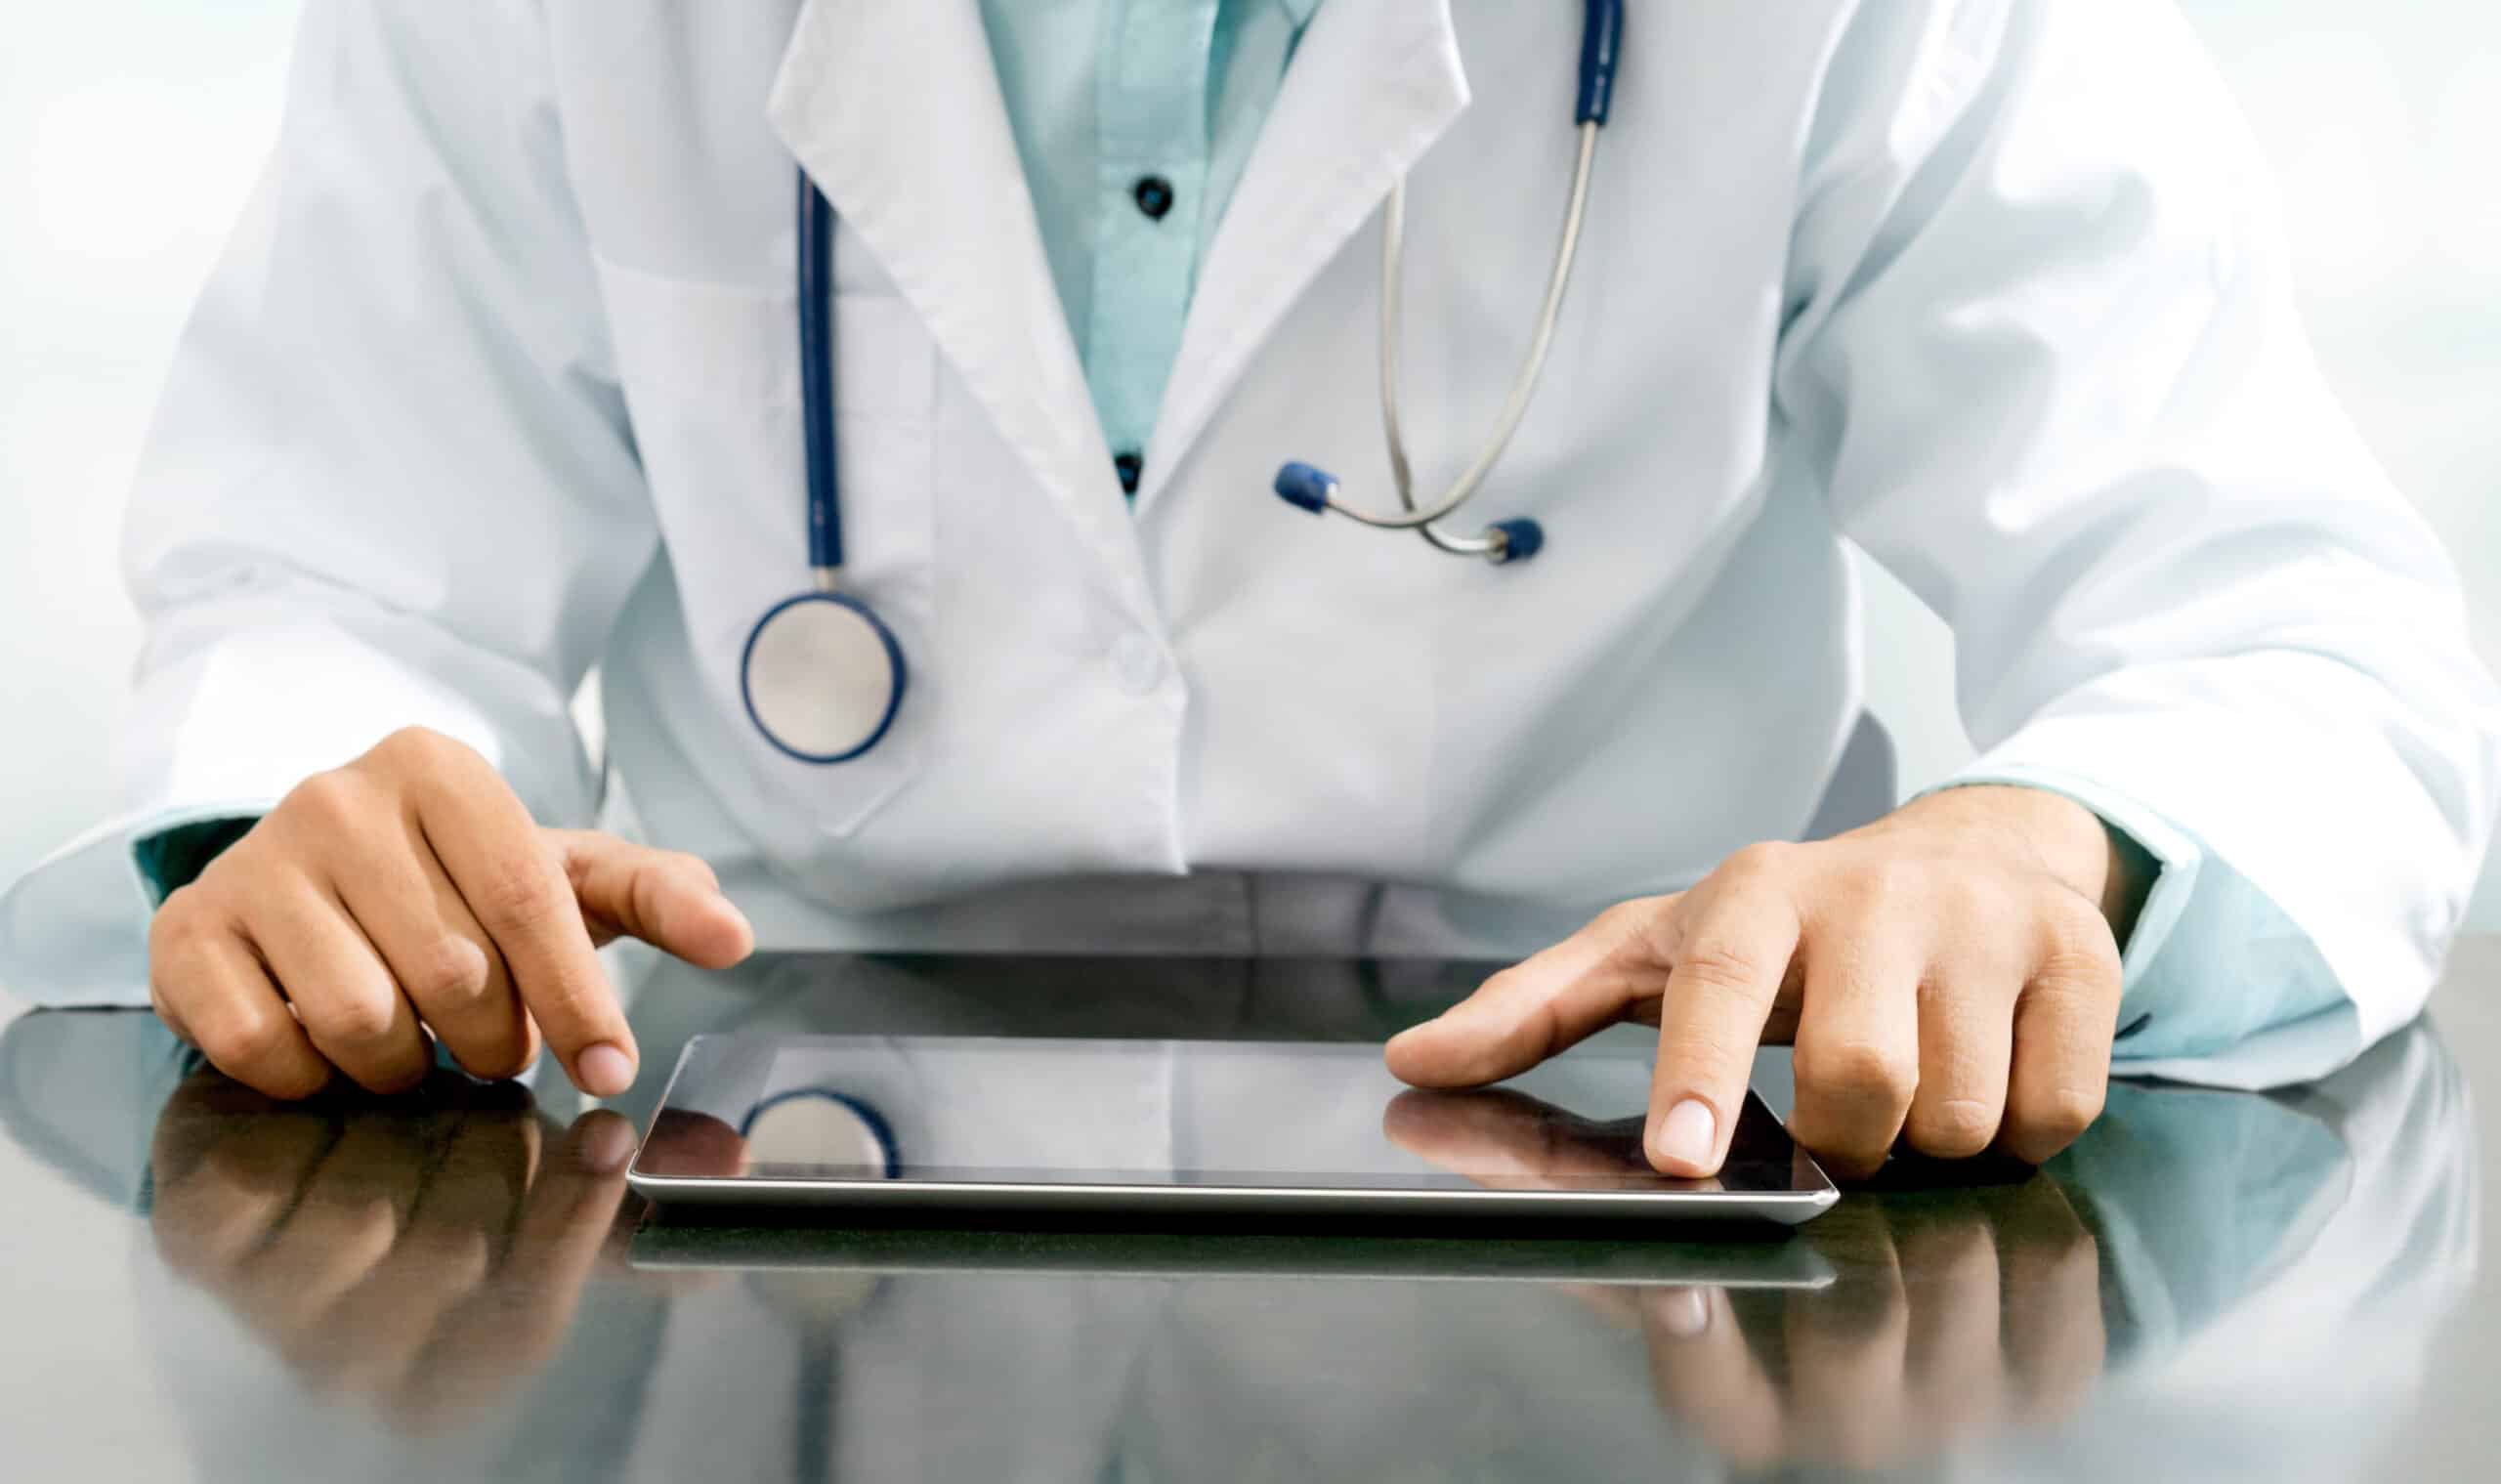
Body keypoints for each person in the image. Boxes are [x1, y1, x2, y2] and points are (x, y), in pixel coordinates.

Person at [2, 0, 2493, 1181]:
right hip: (762, 1218)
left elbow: (2270, 634)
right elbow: (329, 576)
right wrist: (303, 821)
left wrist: (2045, 843)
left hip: (1650, 1200)